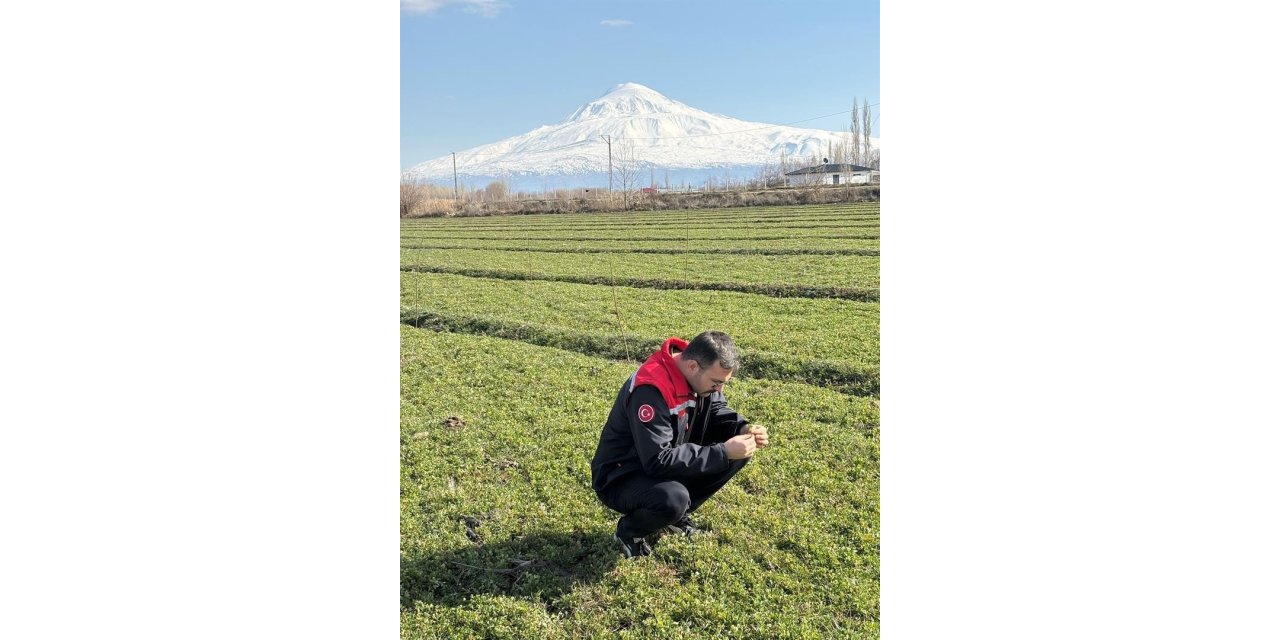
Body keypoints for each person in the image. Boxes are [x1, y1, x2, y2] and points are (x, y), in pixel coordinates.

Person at [591, 331, 770, 558]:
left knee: (739, 452)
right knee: (673, 498)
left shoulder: (697, 373)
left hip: (661, 459)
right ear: (693, 366)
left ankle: (676, 517)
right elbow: (658, 461)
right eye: (716, 383)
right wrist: (722, 452)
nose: (719, 390)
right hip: (621, 475)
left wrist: (742, 428)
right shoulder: (650, 389)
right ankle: (629, 532)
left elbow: (716, 409)